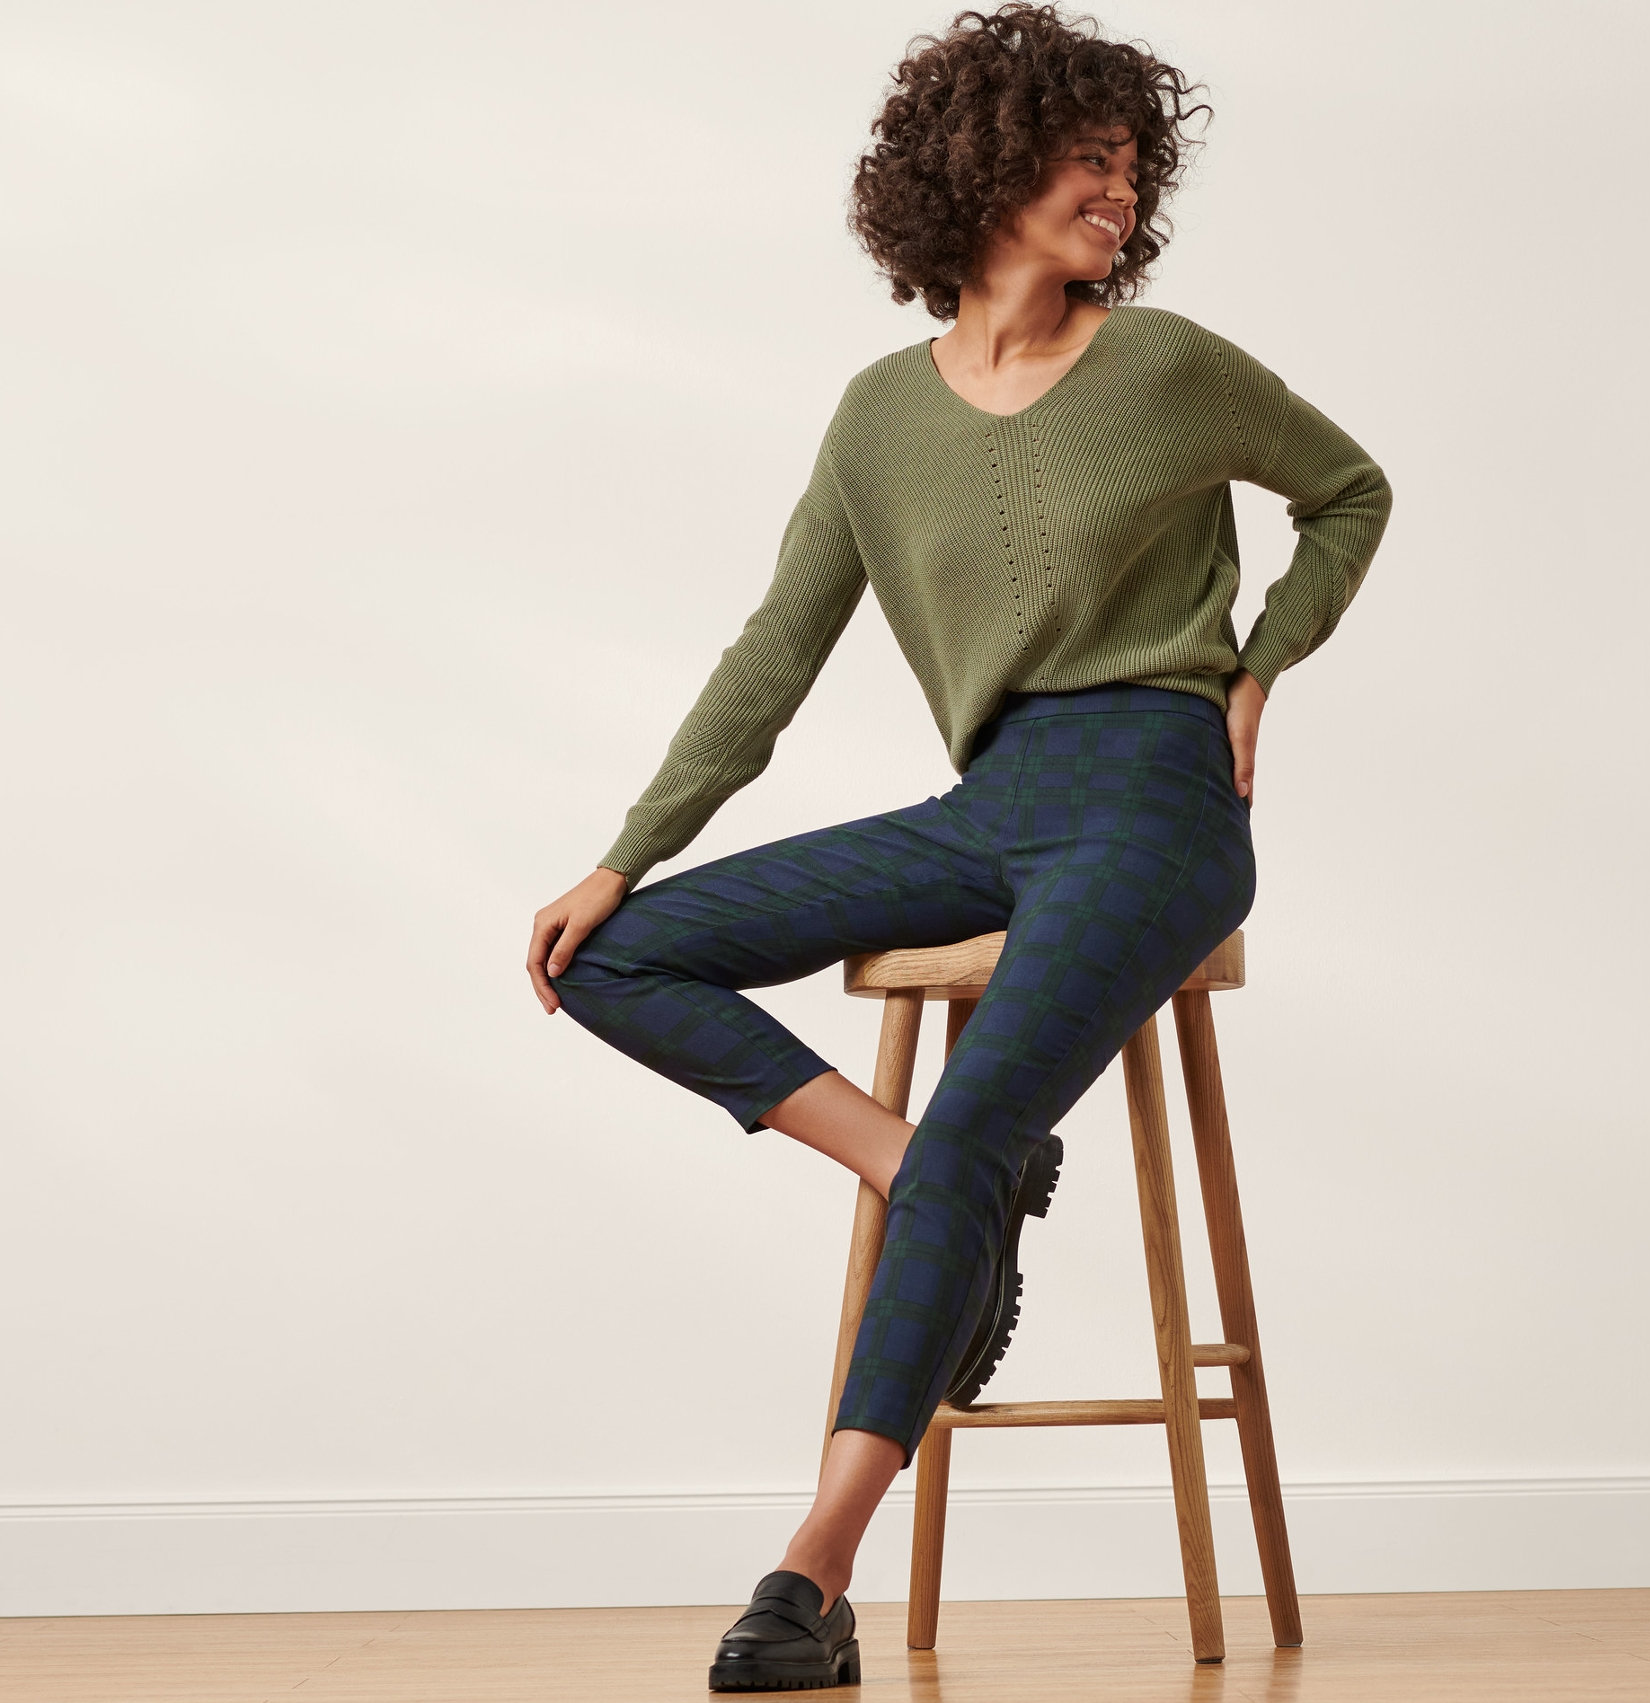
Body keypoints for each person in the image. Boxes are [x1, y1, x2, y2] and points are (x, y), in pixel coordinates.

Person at [525, 4, 1390, 1689]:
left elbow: (1348, 488)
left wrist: (1263, 663)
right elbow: (772, 659)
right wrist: (620, 856)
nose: (1118, 190)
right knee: (622, 958)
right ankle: (918, 1168)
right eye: (1088, 154)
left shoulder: (1167, 364)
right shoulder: (875, 419)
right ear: (985, 164)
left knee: (986, 1122)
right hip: (988, 805)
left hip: (1153, 802)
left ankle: (807, 1576)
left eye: (1134, 165)